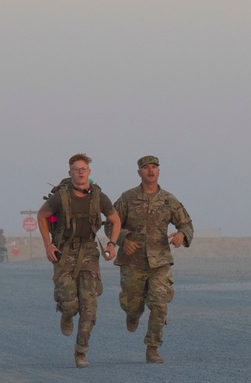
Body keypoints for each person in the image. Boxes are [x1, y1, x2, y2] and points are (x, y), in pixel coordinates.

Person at [37, 153, 121, 368]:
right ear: (70, 173)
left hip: (89, 254)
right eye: (76, 169)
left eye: (84, 169)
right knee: (69, 303)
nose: (81, 172)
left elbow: (115, 220)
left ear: (89, 172)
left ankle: (81, 352)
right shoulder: (61, 197)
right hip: (64, 253)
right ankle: (65, 313)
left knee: (89, 306)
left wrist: (111, 244)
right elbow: (42, 216)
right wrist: (48, 245)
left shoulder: (98, 197)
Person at [110, 155, 193, 364]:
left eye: (154, 167)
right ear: (139, 172)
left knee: (159, 304)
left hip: (160, 262)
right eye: (146, 168)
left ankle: (153, 348)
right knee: (132, 303)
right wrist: (123, 239)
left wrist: (182, 235)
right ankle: (132, 314)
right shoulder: (127, 199)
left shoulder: (168, 200)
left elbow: (186, 224)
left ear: (158, 171)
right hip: (133, 261)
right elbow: (111, 224)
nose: (150, 171)